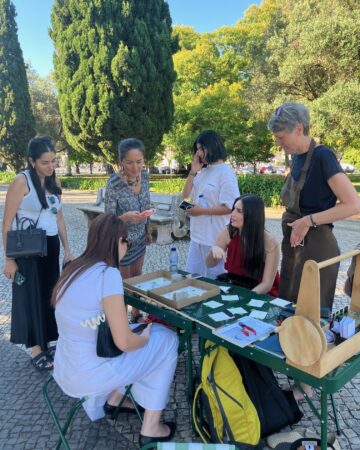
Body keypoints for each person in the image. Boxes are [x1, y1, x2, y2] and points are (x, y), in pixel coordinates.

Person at [52, 213, 178, 446]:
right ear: (117, 242)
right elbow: (125, 343)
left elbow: (96, 323)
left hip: (65, 369)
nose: (127, 246)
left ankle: (116, 398)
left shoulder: (73, 269)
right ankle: (151, 426)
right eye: (126, 241)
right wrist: (146, 334)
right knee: (167, 340)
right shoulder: (107, 273)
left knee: (141, 336)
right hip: (91, 375)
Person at [268, 102, 360, 310]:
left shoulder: (323, 156)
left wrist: (308, 220)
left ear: (299, 129)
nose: (277, 142)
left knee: (311, 310)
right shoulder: (297, 157)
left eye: (281, 136)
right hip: (295, 243)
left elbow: (354, 205)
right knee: (289, 304)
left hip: (317, 245)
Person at [2, 137, 74, 371]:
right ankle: (35, 348)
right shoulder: (21, 181)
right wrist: (9, 258)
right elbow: (7, 222)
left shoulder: (54, 182)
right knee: (30, 296)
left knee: (49, 295)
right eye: (45, 162)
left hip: (50, 246)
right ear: (32, 161)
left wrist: (68, 249)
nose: (50, 166)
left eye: (54, 161)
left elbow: (59, 218)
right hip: (28, 249)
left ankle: (48, 340)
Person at [105, 138, 152, 323]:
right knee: (123, 283)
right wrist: (124, 217)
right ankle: (121, 322)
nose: (135, 167)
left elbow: (146, 204)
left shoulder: (146, 177)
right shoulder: (114, 183)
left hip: (140, 238)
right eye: (130, 162)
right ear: (121, 162)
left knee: (138, 277)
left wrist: (148, 230)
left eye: (139, 161)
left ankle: (136, 314)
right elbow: (108, 218)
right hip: (121, 241)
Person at [183, 130, 240, 278]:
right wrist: (193, 171)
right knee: (192, 281)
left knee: (215, 283)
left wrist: (201, 211)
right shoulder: (202, 172)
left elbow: (229, 207)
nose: (199, 153)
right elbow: (186, 195)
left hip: (216, 238)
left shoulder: (226, 173)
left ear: (213, 146)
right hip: (197, 237)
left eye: (202, 148)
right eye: (197, 149)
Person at [206, 194, 280, 296]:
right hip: (234, 285)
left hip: (260, 292)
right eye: (234, 209)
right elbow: (209, 264)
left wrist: (245, 297)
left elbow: (267, 284)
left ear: (252, 216)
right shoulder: (228, 232)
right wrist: (213, 250)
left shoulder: (270, 242)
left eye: (239, 211)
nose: (232, 214)